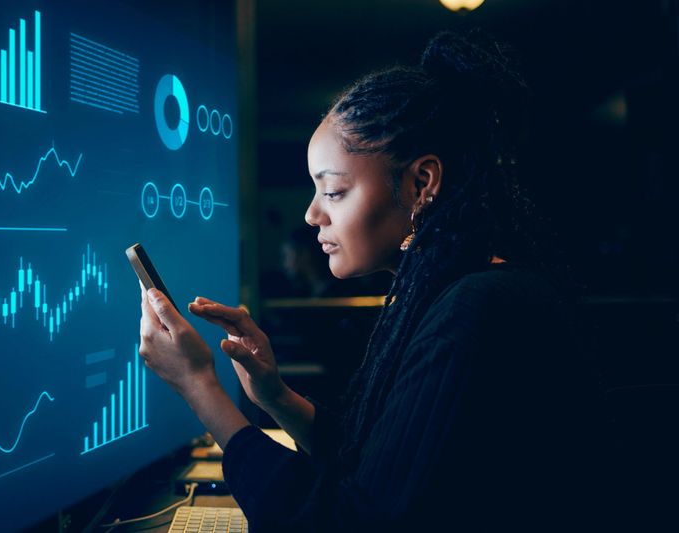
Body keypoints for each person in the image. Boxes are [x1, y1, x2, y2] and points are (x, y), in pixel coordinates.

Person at [138, 30, 603, 531]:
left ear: (421, 183)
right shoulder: (452, 291)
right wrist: (274, 395)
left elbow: (351, 521)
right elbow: (378, 468)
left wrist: (199, 387)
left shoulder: (475, 310)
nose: (312, 214)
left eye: (333, 192)